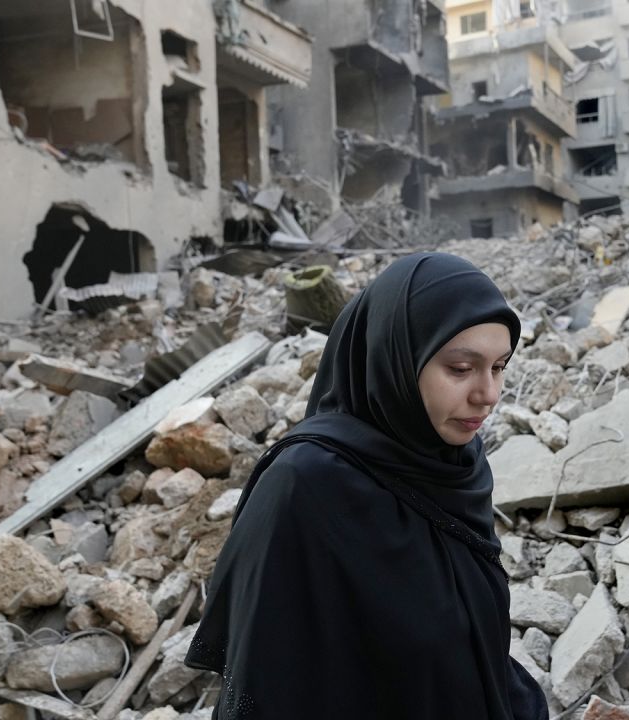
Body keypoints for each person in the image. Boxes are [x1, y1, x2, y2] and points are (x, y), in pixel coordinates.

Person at [186, 253, 549, 720]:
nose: (488, 394)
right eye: (461, 369)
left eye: (499, 367)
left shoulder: (453, 465)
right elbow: (266, 687)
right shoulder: (305, 489)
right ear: (394, 356)